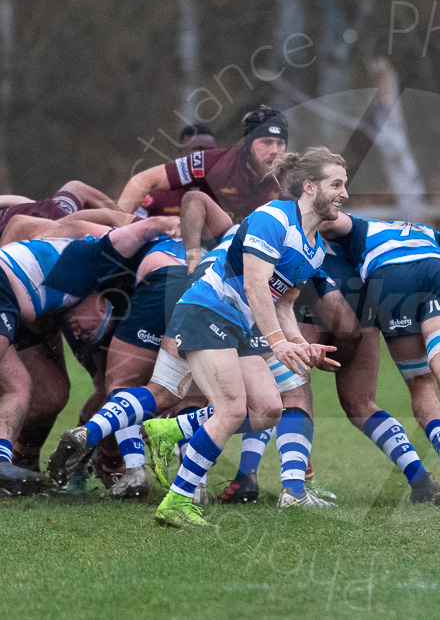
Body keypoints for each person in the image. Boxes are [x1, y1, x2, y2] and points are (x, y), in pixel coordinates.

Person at [0, 217, 175, 505]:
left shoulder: (68, 276)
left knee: (18, 388)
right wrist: (174, 226)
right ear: (102, 299)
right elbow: (142, 229)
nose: (75, 330)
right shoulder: (95, 257)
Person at [143, 147, 345, 528]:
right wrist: (278, 343)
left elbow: (282, 305)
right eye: (336, 184)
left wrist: (301, 345)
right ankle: (176, 502)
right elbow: (254, 284)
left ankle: (170, 428)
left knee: (268, 410)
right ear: (308, 187)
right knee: (233, 408)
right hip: (206, 309)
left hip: (239, 324)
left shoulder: (316, 250)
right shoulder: (273, 218)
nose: (344, 194)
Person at [323, 213, 440, 506]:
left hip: (392, 277)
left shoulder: (361, 226)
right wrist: (434, 302)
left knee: (420, 382)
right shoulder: (425, 231)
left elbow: (326, 220)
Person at [118, 106, 288, 231]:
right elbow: (142, 180)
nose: (274, 151)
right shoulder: (212, 162)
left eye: (280, 144)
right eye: (266, 142)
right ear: (248, 144)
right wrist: (116, 231)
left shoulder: (295, 175)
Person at [135, 124, 219, 219]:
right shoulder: (158, 187)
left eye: (211, 150)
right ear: (180, 152)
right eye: (198, 149)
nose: (205, 155)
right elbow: (130, 224)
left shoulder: (227, 186)